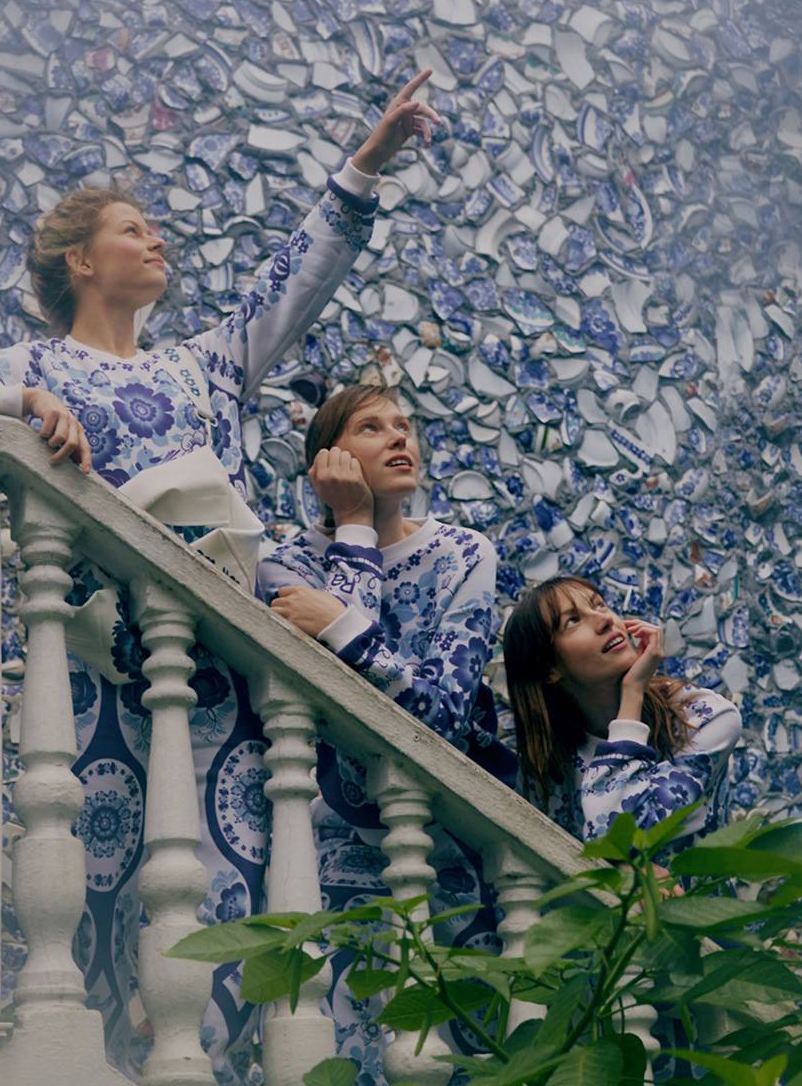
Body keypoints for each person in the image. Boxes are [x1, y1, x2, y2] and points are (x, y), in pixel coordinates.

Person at [0, 71, 440, 1085]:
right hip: (95, 676)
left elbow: (296, 281)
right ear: (80, 259)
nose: (157, 242)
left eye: (155, 230)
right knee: (96, 888)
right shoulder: (34, 365)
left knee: (230, 892)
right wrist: (19, 402)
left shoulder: (204, 368)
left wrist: (368, 162)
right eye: (133, 230)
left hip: (224, 674)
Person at [258, 383, 515, 1083]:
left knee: (457, 1050)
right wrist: (354, 527)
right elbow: (346, 701)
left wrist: (339, 625)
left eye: (404, 425)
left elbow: (443, 716)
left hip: (450, 845)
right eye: (371, 427)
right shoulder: (285, 565)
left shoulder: (464, 553)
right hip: (332, 852)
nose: (401, 437)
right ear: (326, 461)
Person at [501, 575, 742, 851]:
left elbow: (620, 839)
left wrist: (633, 691)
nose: (605, 619)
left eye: (599, 605)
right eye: (572, 621)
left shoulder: (706, 718)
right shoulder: (547, 767)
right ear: (549, 669)